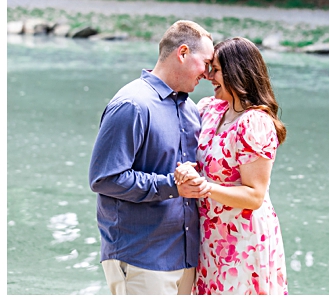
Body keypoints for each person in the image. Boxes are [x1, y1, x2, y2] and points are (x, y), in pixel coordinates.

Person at [88, 19, 215, 296]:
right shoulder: (132, 105)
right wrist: (172, 185)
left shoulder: (191, 110)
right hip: (141, 257)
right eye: (206, 63)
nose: (208, 73)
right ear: (182, 53)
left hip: (185, 259)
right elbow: (105, 179)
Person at [173, 37, 288, 295]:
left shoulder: (255, 122)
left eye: (215, 70)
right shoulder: (209, 109)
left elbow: (254, 195)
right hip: (209, 237)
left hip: (243, 239)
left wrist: (203, 187)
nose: (208, 75)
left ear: (236, 72)